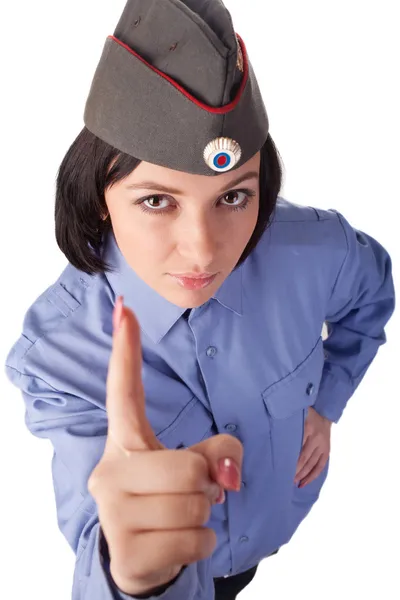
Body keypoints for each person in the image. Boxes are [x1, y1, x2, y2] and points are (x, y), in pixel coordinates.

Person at [4, 1, 395, 599]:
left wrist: (328, 402)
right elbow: (97, 532)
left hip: (269, 542)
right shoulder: (59, 355)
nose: (204, 251)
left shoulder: (317, 250)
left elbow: (370, 295)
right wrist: (133, 576)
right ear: (97, 196)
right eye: (157, 201)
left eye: (234, 198)